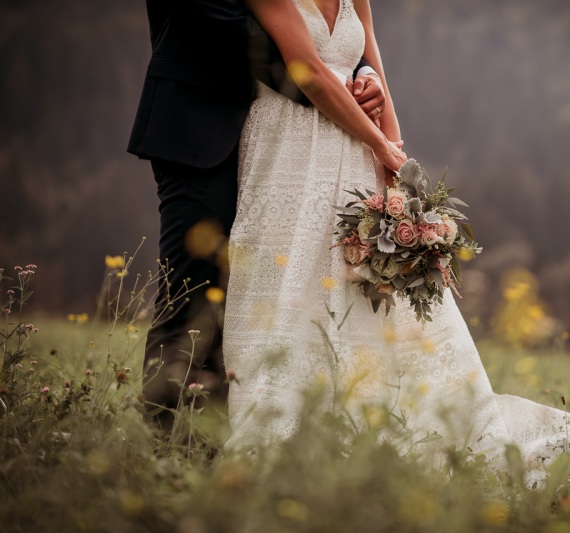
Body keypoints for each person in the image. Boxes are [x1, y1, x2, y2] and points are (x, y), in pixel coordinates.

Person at [225, 0, 570, 487]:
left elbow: (373, 66)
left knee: (368, 292)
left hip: (356, 149)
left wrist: (394, 157)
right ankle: (291, 422)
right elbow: (307, 71)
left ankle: (374, 417)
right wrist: (375, 140)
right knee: (294, 282)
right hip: (291, 150)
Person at [127, 0, 387, 431]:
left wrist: (362, 72)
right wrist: (330, 82)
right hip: (200, 133)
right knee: (192, 291)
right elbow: (238, 31)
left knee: (256, 295)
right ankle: (168, 447)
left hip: (277, 144)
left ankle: (225, 434)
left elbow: (318, 30)